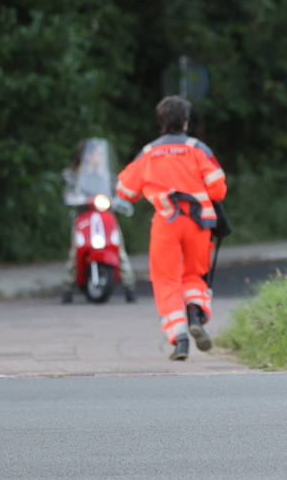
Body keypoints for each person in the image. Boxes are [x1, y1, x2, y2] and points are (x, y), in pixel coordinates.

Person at [116, 96, 227, 361]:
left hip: (167, 223)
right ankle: (196, 317)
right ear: (186, 122)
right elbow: (218, 189)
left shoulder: (149, 152)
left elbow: (125, 192)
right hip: (199, 223)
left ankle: (180, 339)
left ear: (161, 122)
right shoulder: (198, 148)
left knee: (166, 281)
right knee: (194, 276)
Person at [61, 139, 137, 304]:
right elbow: (69, 193)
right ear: (87, 156)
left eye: (102, 154)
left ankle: (129, 286)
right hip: (85, 217)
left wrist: (120, 200)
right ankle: (68, 287)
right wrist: (75, 197)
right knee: (76, 248)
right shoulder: (78, 176)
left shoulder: (108, 176)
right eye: (96, 154)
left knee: (118, 248)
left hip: (106, 217)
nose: (100, 157)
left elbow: (118, 193)